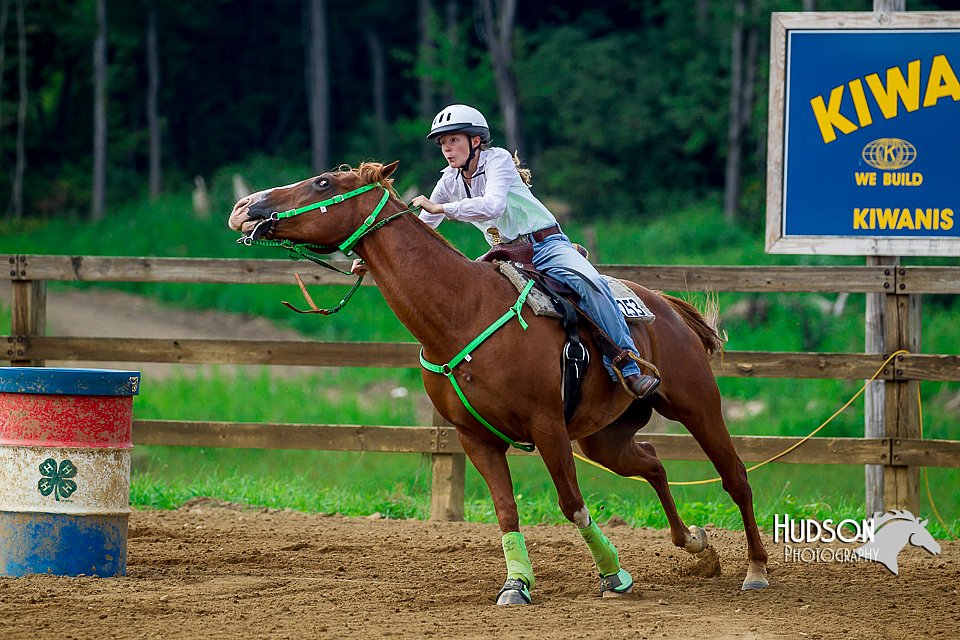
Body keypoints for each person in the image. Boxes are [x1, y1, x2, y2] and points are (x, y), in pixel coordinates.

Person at [354, 104, 659, 400]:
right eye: (443, 143)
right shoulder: (448, 179)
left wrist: (443, 207)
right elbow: (420, 232)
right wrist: (378, 259)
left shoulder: (497, 159)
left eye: (454, 140)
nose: (447, 149)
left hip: (545, 245)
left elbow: (494, 204)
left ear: (475, 141)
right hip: (503, 253)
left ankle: (626, 364)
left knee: (589, 283)